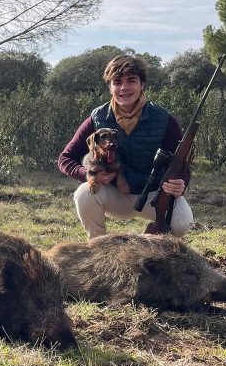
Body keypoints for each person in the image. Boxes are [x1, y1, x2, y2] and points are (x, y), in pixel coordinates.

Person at [57, 54, 194, 239]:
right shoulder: (97, 118)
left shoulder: (165, 119)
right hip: (114, 195)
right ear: (110, 86)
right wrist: (89, 175)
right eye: (117, 82)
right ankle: (98, 248)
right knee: (84, 195)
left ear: (142, 85)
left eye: (131, 80)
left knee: (181, 223)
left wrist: (181, 182)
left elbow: (181, 162)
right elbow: (65, 159)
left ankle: (149, 244)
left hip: (154, 194)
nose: (124, 88)